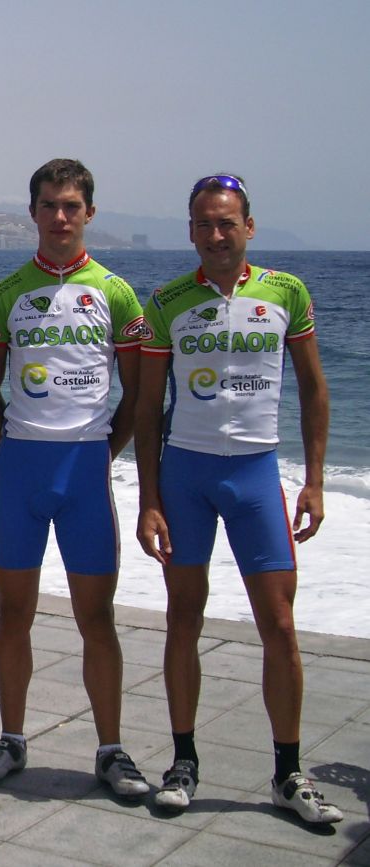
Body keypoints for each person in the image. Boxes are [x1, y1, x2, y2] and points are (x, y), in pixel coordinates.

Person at [135, 174, 342, 824]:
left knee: (279, 624)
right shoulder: (167, 301)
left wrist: (314, 480)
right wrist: (148, 499)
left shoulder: (286, 292)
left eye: (227, 222)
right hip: (186, 477)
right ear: (191, 231)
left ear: (248, 226)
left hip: (255, 476)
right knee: (183, 618)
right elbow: (146, 408)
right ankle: (183, 761)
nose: (216, 234)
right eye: (204, 223)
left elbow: (314, 389)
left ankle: (288, 772)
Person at [0, 159, 150, 799]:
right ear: (33, 213)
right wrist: (16, 439)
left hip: (85, 475)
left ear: (89, 213)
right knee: (12, 614)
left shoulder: (116, 293)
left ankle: (111, 749)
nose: (60, 216)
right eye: (48, 205)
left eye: (71, 205)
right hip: (22, 471)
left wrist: (103, 448)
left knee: (96, 618)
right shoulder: (6, 293)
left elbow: (138, 394)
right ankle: (11, 739)